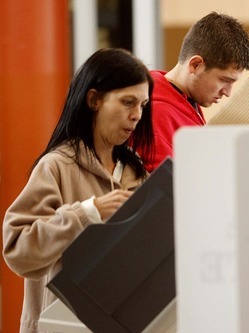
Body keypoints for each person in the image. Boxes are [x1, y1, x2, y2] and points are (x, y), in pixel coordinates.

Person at [2, 48, 155, 333]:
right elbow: (18, 249)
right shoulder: (56, 167)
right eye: (127, 102)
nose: (137, 115)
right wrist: (87, 213)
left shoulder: (137, 173)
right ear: (94, 100)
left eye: (143, 105)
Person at [144, 11, 249, 171]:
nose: (228, 92)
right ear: (196, 65)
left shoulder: (184, 100)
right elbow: (165, 191)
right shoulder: (158, 112)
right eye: (224, 80)